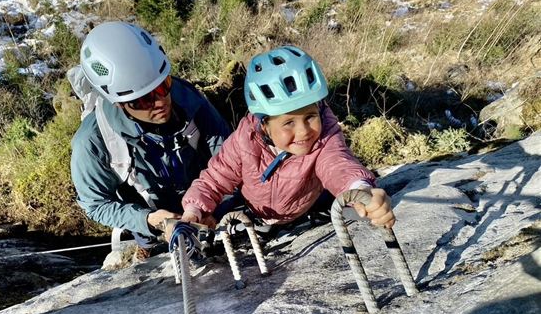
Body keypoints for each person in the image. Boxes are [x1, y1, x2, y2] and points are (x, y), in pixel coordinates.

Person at [180, 45, 395, 232]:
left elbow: (337, 163)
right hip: (257, 212)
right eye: (288, 123)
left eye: (310, 117)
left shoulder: (324, 136)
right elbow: (215, 178)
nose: (303, 132)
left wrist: (361, 190)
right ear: (264, 124)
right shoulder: (245, 140)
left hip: (309, 206)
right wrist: (193, 210)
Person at [70, 22, 231, 260]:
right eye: (143, 100)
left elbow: (228, 155)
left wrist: (210, 204)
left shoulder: (188, 100)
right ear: (118, 103)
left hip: (203, 204)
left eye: (164, 86)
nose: (160, 102)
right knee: (152, 241)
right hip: (150, 223)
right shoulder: (92, 142)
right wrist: (148, 220)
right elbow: (95, 204)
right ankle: (149, 246)